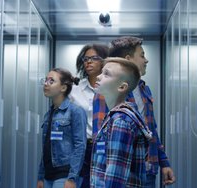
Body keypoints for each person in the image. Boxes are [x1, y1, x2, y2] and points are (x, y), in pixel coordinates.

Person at [92, 36, 175, 187]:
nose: (146, 60)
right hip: (120, 171)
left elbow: (152, 131)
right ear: (129, 59)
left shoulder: (144, 89)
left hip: (147, 167)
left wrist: (164, 162)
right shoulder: (106, 91)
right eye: (142, 55)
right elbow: (101, 137)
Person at [90, 57, 152, 187]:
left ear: (122, 87)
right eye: (102, 72)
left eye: (106, 74)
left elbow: (115, 177)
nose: (99, 77)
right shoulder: (115, 116)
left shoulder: (121, 121)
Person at [37, 68, 87, 188]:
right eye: (45, 80)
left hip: (65, 174)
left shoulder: (76, 111)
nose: (45, 84)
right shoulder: (49, 114)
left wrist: (72, 178)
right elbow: (46, 148)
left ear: (63, 88)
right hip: (48, 175)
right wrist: (40, 176)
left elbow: (80, 146)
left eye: (51, 81)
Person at [68, 44, 109, 188]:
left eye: (94, 58)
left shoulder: (110, 87)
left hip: (105, 147)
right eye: (86, 59)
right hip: (81, 147)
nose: (88, 62)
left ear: (104, 61)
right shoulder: (74, 90)